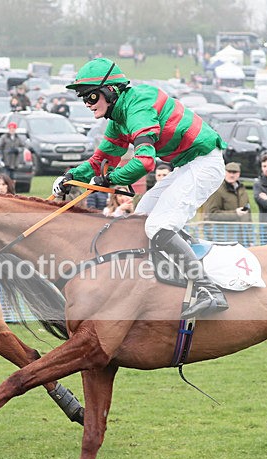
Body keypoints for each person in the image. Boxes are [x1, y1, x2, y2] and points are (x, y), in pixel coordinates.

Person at [53, 57, 228, 318]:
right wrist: (70, 176)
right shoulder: (118, 118)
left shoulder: (138, 107)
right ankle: (159, 283)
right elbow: (101, 160)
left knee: (158, 226)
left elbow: (145, 162)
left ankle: (209, 290)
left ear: (110, 91)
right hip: (187, 165)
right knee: (141, 218)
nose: (87, 103)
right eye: (83, 98)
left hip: (204, 163)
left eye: (91, 96)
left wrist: (110, 179)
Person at [202, 161, 252, 244]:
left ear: (239, 174)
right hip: (223, 237)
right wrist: (235, 213)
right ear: (224, 172)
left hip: (242, 236)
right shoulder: (217, 189)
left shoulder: (242, 189)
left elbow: (248, 214)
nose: (231, 175)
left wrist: (250, 238)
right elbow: (212, 214)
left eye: (234, 172)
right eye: (229, 172)